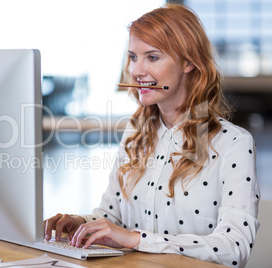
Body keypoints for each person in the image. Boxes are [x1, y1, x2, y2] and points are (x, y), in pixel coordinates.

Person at [44, 4, 260, 268]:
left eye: (153, 57)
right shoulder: (135, 135)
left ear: (189, 63)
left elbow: (234, 247)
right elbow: (111, 218)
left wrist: (137, 240)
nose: (136, 71)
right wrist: (80, 224)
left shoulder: (234, 143)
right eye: (133, 57)